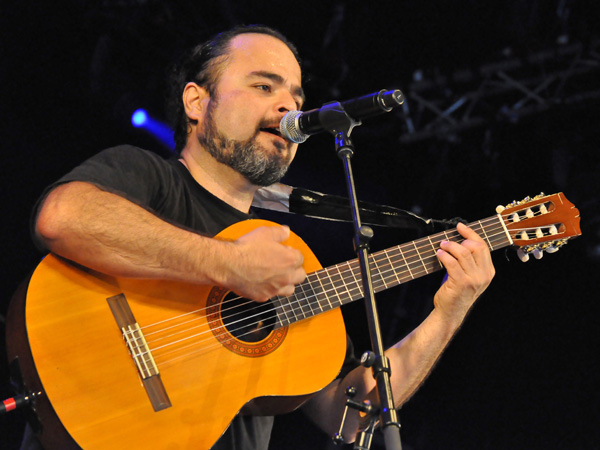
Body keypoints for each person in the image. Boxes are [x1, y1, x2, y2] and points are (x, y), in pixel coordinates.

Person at [29, 25, 495, 449]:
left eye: (296, 95)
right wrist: (228, 265)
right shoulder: (149, 177)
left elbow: (349, 415)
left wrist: (451, 309)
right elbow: (63, 216)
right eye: (263, 86)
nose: (289, 107)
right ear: (196, 102)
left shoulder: (285, 255)